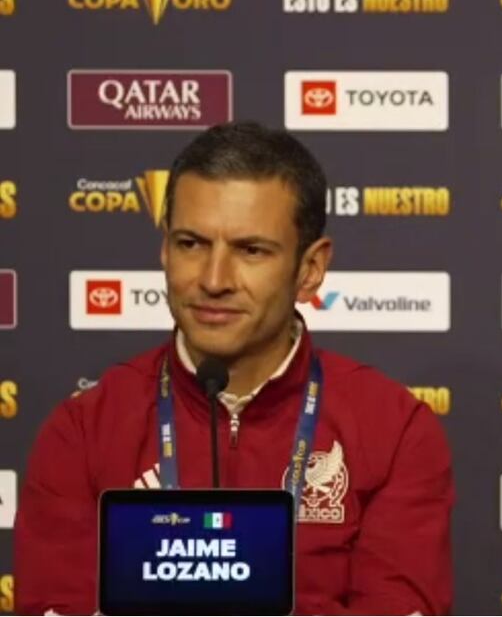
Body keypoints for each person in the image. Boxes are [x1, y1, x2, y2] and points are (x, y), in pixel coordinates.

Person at [14, 122, 454, 615]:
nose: (213, 279)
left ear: (310, 269)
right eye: (191, 244)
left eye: (251, 250)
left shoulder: (394, 429)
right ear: (164, 250)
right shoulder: (83, 430)